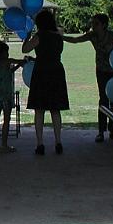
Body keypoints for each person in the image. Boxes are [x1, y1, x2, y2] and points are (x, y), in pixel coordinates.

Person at [64, 13, 113, 143]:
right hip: (101, 71)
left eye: (96, 24)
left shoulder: (112, 36)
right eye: (92, 23)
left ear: (104, 25)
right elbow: (75, 40)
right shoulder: (92, 36)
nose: (93, 26)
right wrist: (61, 37)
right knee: (103, 100)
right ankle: (101, 132)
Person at [22, 10, 69, 155]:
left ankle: (40, 143)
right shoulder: (58, 36)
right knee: (55, 109)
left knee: (39, 109)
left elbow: (25, 49)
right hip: (56, 70)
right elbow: (53, 54)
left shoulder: (39, 36)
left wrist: (27, 35)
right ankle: (58, 141)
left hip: (41, 71)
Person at [0, 41, 25, 154]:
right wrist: (22, 61)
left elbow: (10, 71)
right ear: (2, 53)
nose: (8, 54)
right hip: (5, 95)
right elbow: (13, 61)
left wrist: (18, 65)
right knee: (6, 120)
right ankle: (4, 145)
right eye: (6, 52)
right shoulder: (5, 61)